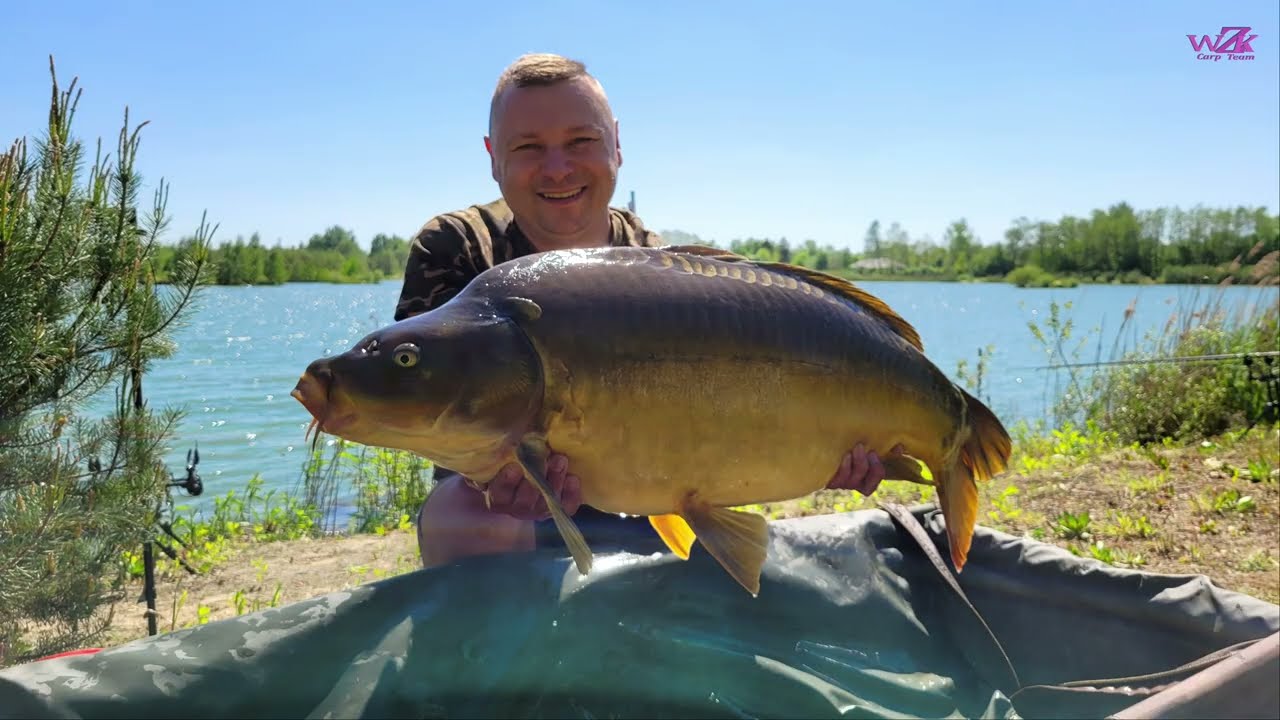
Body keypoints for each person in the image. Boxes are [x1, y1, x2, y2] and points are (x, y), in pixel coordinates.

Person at [395, 53, 896, 570]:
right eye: (528, 147)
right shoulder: (458, 246)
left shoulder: (655, 264)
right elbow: (424, 407)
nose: (558, 167)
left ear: (616, 144)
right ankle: (494, 646)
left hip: (646, 496)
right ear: (492, 155)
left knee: (696, 559)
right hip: (503, 502)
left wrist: (823, 449)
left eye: (580, 142)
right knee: (464, 515)